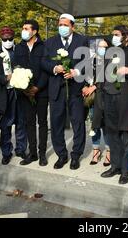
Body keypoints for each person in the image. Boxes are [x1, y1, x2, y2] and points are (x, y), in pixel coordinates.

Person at [42, 14, 89, 170]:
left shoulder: (82, 41)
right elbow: (44, 61)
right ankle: (61, 155)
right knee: (56, 124)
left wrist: (75, 72)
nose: (62, 27)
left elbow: (86, 62)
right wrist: (55, 68)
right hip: (56, 89)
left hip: (75, 89)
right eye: (60, 24)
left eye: (65, 25)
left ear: (72, 26)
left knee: (78, 123)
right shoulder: (50, 42)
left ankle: (76, 155)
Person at [100, 25, 128, 185]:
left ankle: (125, 170)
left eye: (116, 35)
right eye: (113, 35)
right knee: (112, 135)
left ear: (126, 36)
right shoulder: (110, 51)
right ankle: (115, 166)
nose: (113, 37)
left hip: (127, 99)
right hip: (110, 97)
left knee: (126, 137)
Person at [0, 26, 27, 165]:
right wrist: (4, 78)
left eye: (10, 39)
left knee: (21, 122)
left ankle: (21, 149)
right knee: (6, 124)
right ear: (1, 39)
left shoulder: (20, 51)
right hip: (5, 93)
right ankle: (6, 152)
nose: (8, 41)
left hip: (20, 92)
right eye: (5, 39)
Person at [14, 20, 49, 167]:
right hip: (25, 93)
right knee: (29, 123)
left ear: (34, 31)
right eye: (23, 28)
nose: (24, 31)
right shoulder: (19, 47)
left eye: (26, 28)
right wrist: (25, 88)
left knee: (42, 123)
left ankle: (42, 154)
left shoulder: (44, 46)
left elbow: (47, 69)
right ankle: (32, 153)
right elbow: (16, 68)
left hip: (41, 92)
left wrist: (37, 87)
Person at [82, 38, 111, 166]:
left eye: (105, 47)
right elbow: (83, 76)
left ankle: (109, 152)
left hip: (108, 97)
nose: (102, 49)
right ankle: (96, 150)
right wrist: (84, 87)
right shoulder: (91, 60)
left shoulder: (112, 61)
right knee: (95, 124)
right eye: (100, 46)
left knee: (107, 125)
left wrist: (95, 86)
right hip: (94, 98)